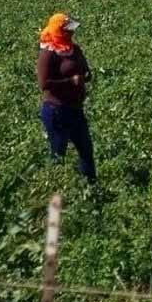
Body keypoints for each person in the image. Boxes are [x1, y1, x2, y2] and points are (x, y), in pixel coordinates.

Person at [37, 12, 95, 181]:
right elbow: (44, 83)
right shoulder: (48, 54)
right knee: (58, 154)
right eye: (68, 31)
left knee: (86, 150)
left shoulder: (73, 49)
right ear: (58, 31)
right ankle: (55, 191)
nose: (72, 33)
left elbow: (84, 68)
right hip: (56, 111)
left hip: (76, 109)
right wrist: (70, 81)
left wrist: (85, 74)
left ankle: (91, 188)